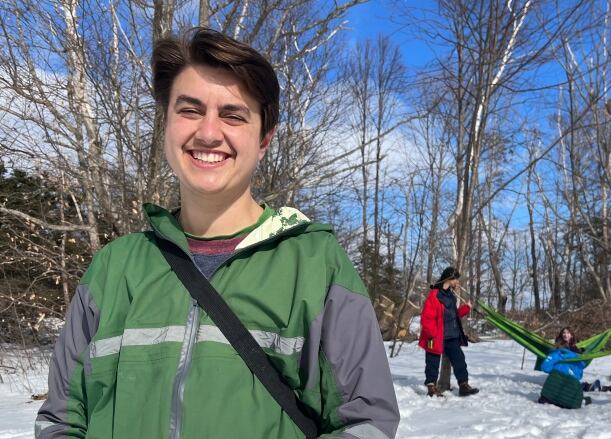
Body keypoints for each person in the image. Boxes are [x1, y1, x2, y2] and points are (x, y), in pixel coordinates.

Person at [34, 28, 399, 439]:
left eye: (232, 114)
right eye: (190, 110)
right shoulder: (113, 268)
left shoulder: (316, 265)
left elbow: (366, 422)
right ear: (167, 125)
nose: (208, 133)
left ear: (264, 139)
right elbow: (61, 419)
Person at [418, 267, 479, 397]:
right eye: (456, 279)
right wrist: (433, 334)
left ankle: (463, 386)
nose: (457, 282)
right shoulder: (434, 295)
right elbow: (426, 318)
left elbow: (453, 315)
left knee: (459, 360)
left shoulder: (450, 295)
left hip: (451, 336)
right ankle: (431, 388)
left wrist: (466, 308)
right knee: (432, 362)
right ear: (449, 279)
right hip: (435, 336)